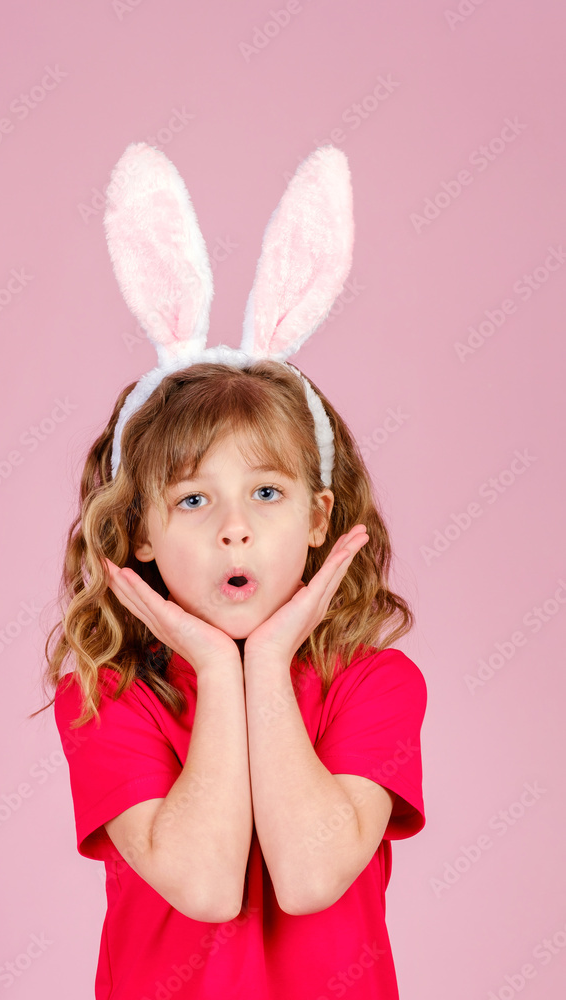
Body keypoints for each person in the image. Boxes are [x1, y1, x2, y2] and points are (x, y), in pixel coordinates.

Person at [33, 142, 427, 1000]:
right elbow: (206, 887)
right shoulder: (104, 695)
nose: (235, 531)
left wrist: (270, 664)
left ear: (320, 520)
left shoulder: (378, 685)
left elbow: (312, 874)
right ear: (138, 530)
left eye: (265, 493)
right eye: (192, 502)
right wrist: (219, 666)